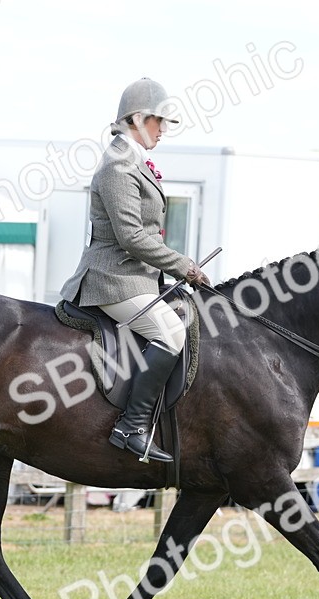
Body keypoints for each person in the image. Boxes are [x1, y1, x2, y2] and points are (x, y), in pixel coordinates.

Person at [60, 78, 208, 463]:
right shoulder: (117, 166)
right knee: (171, 331)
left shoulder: (135, 162)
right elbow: (130, 237)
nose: (163, 129)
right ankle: (133, 426)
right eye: (159, 121)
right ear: (139, 119)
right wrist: (183, 266)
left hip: (137, 277)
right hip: (112, 279)